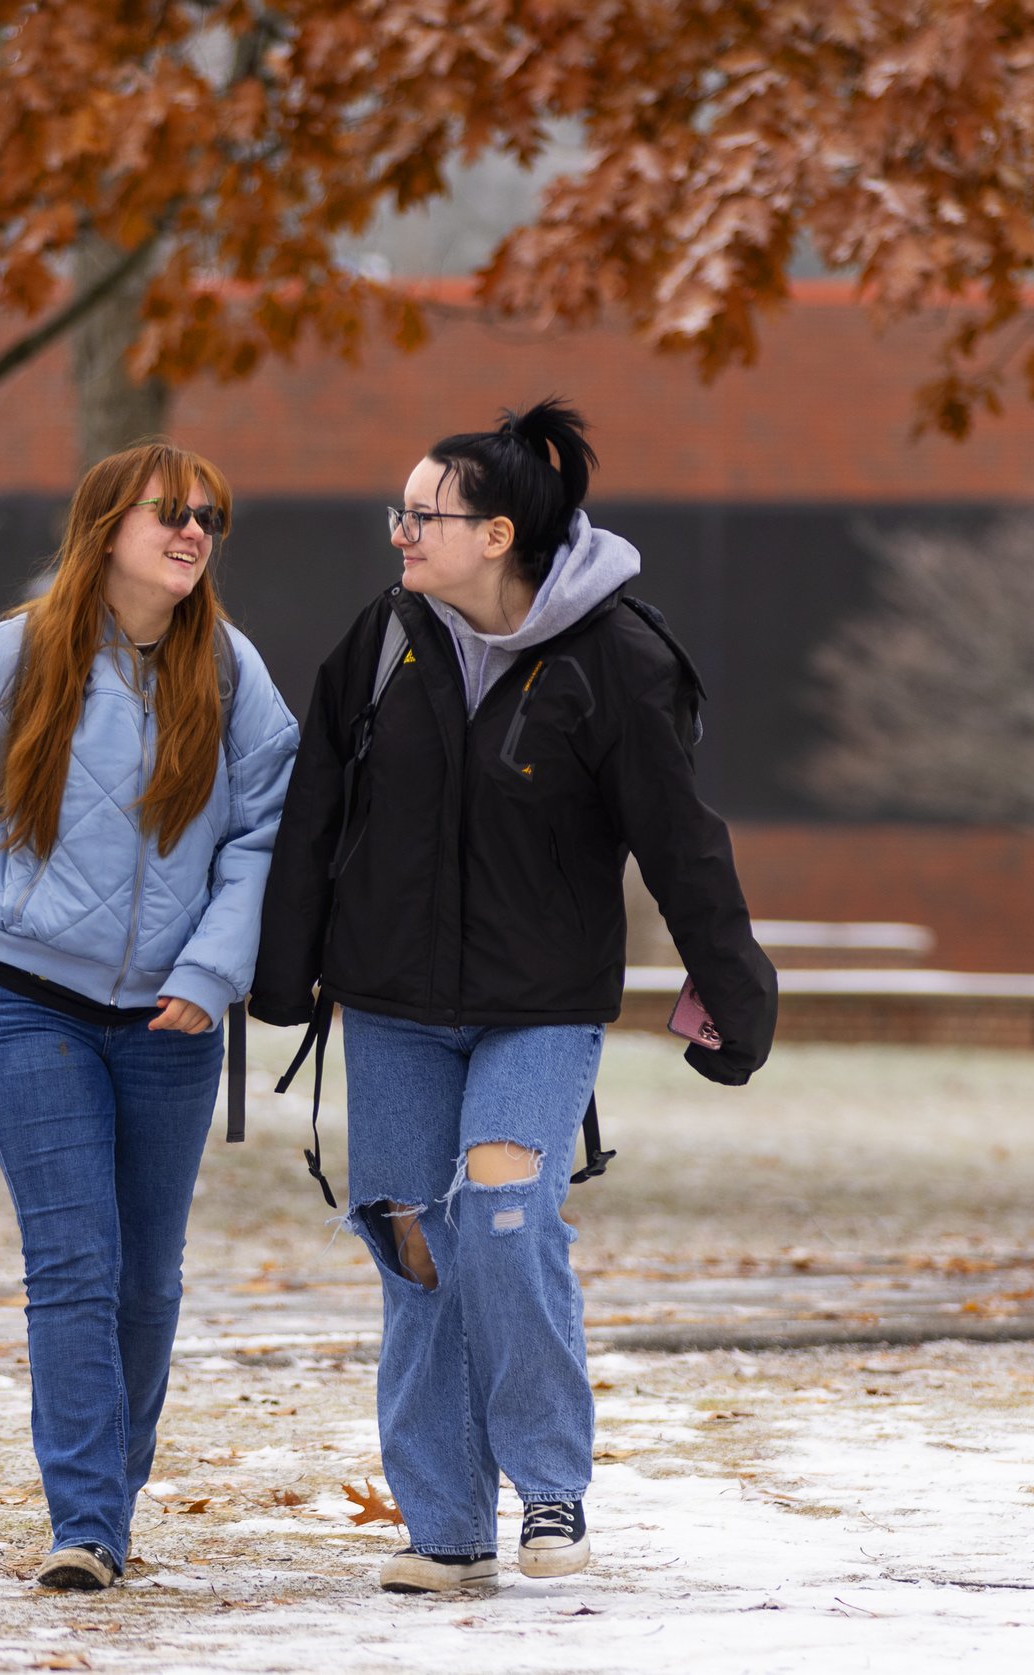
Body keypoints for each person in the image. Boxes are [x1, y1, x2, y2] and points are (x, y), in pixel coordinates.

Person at [251, 398, 777, 1594]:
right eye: (399, 514)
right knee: (416, 1245)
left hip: (538, 1003)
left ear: (495, 535)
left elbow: (679, 841)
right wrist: (284, 974)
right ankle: (442, 1524)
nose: (399, 534)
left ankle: (549, 1488)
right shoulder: (384, 639)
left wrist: (735, 988)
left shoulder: (617, 659)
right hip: (389, 999)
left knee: (500, 1205)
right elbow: (314, 807)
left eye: (420, 515)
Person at [0, 441, 298, 1591]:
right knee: (76, 1261)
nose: (193, 532)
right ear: (104, 527)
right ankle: (85, 1522)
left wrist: (210, 970)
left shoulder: (231, 673)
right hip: (22, 1000)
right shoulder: (12, 658)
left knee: (148, 1278)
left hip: (172, 1023)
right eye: (171, 513)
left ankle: (109, 1495)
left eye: (210, 518)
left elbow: (266, 834)